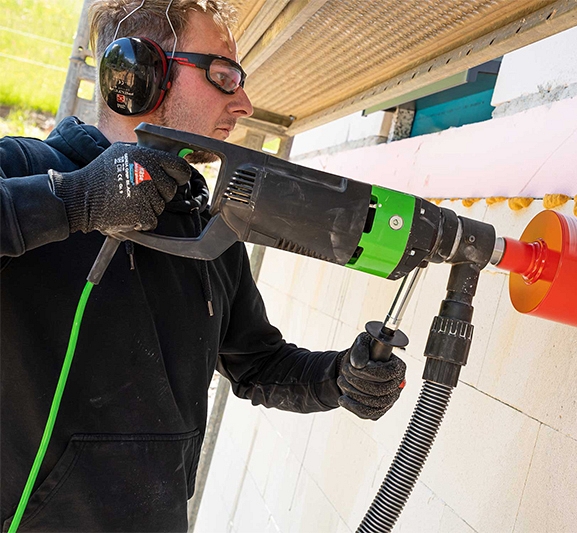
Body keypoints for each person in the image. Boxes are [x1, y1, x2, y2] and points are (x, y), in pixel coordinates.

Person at [0, 0, 406, 530]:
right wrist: (77, 202)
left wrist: (339, 378)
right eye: (223, 76)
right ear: (139, 74)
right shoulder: (28, 169)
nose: (244, 103)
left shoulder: (207, 228)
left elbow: (258, 363)